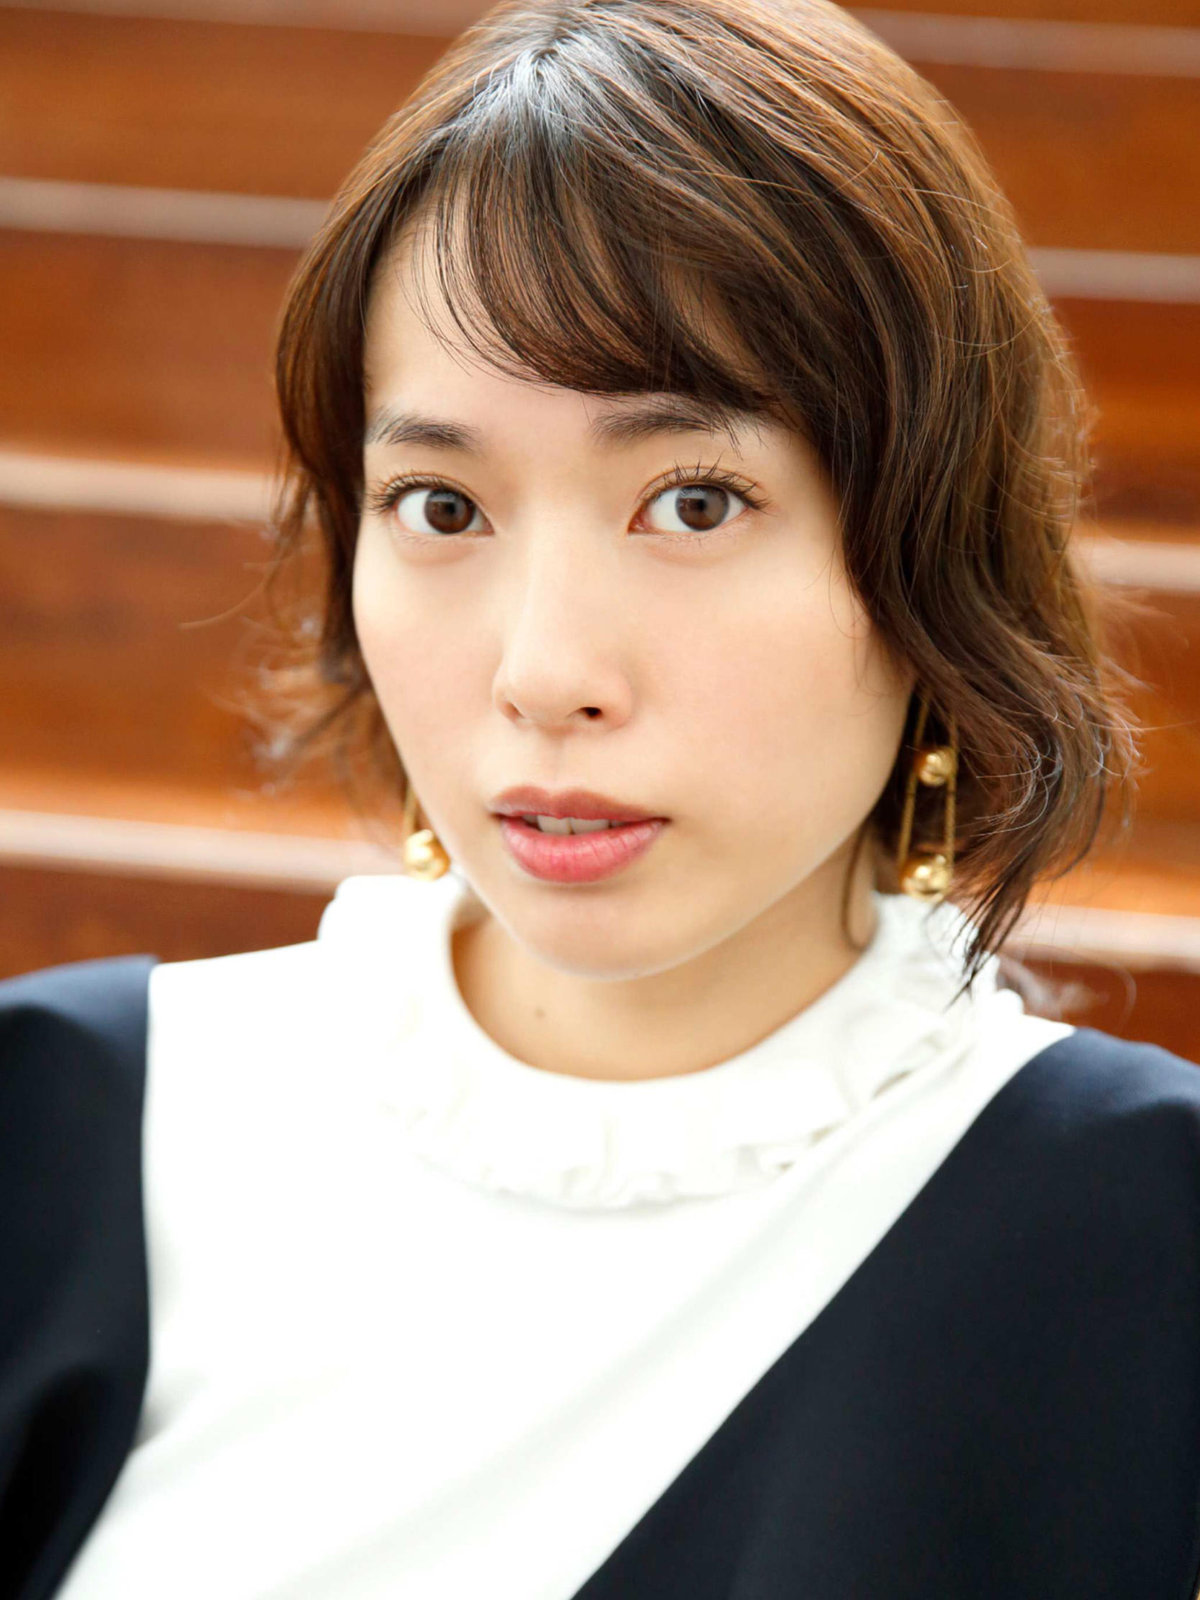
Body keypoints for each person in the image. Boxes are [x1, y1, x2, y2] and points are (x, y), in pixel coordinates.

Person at [3, 0, 1199, 1595]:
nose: (543, 670)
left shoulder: (1132, 1234)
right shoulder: (78, 1130)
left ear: (934, 550)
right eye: (440, 505)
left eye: (693, 501)